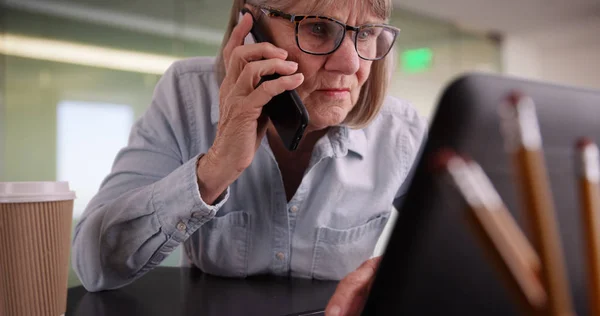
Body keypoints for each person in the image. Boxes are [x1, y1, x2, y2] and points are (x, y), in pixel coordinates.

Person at [72, 0, 426, 314]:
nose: (350, 64)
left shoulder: (401, 132)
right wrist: (214, 168)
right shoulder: (186, 95)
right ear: (251, 30)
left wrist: (394, 277)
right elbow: (94, 265)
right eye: (318, 28)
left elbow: (463, 256)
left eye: (365, 33)